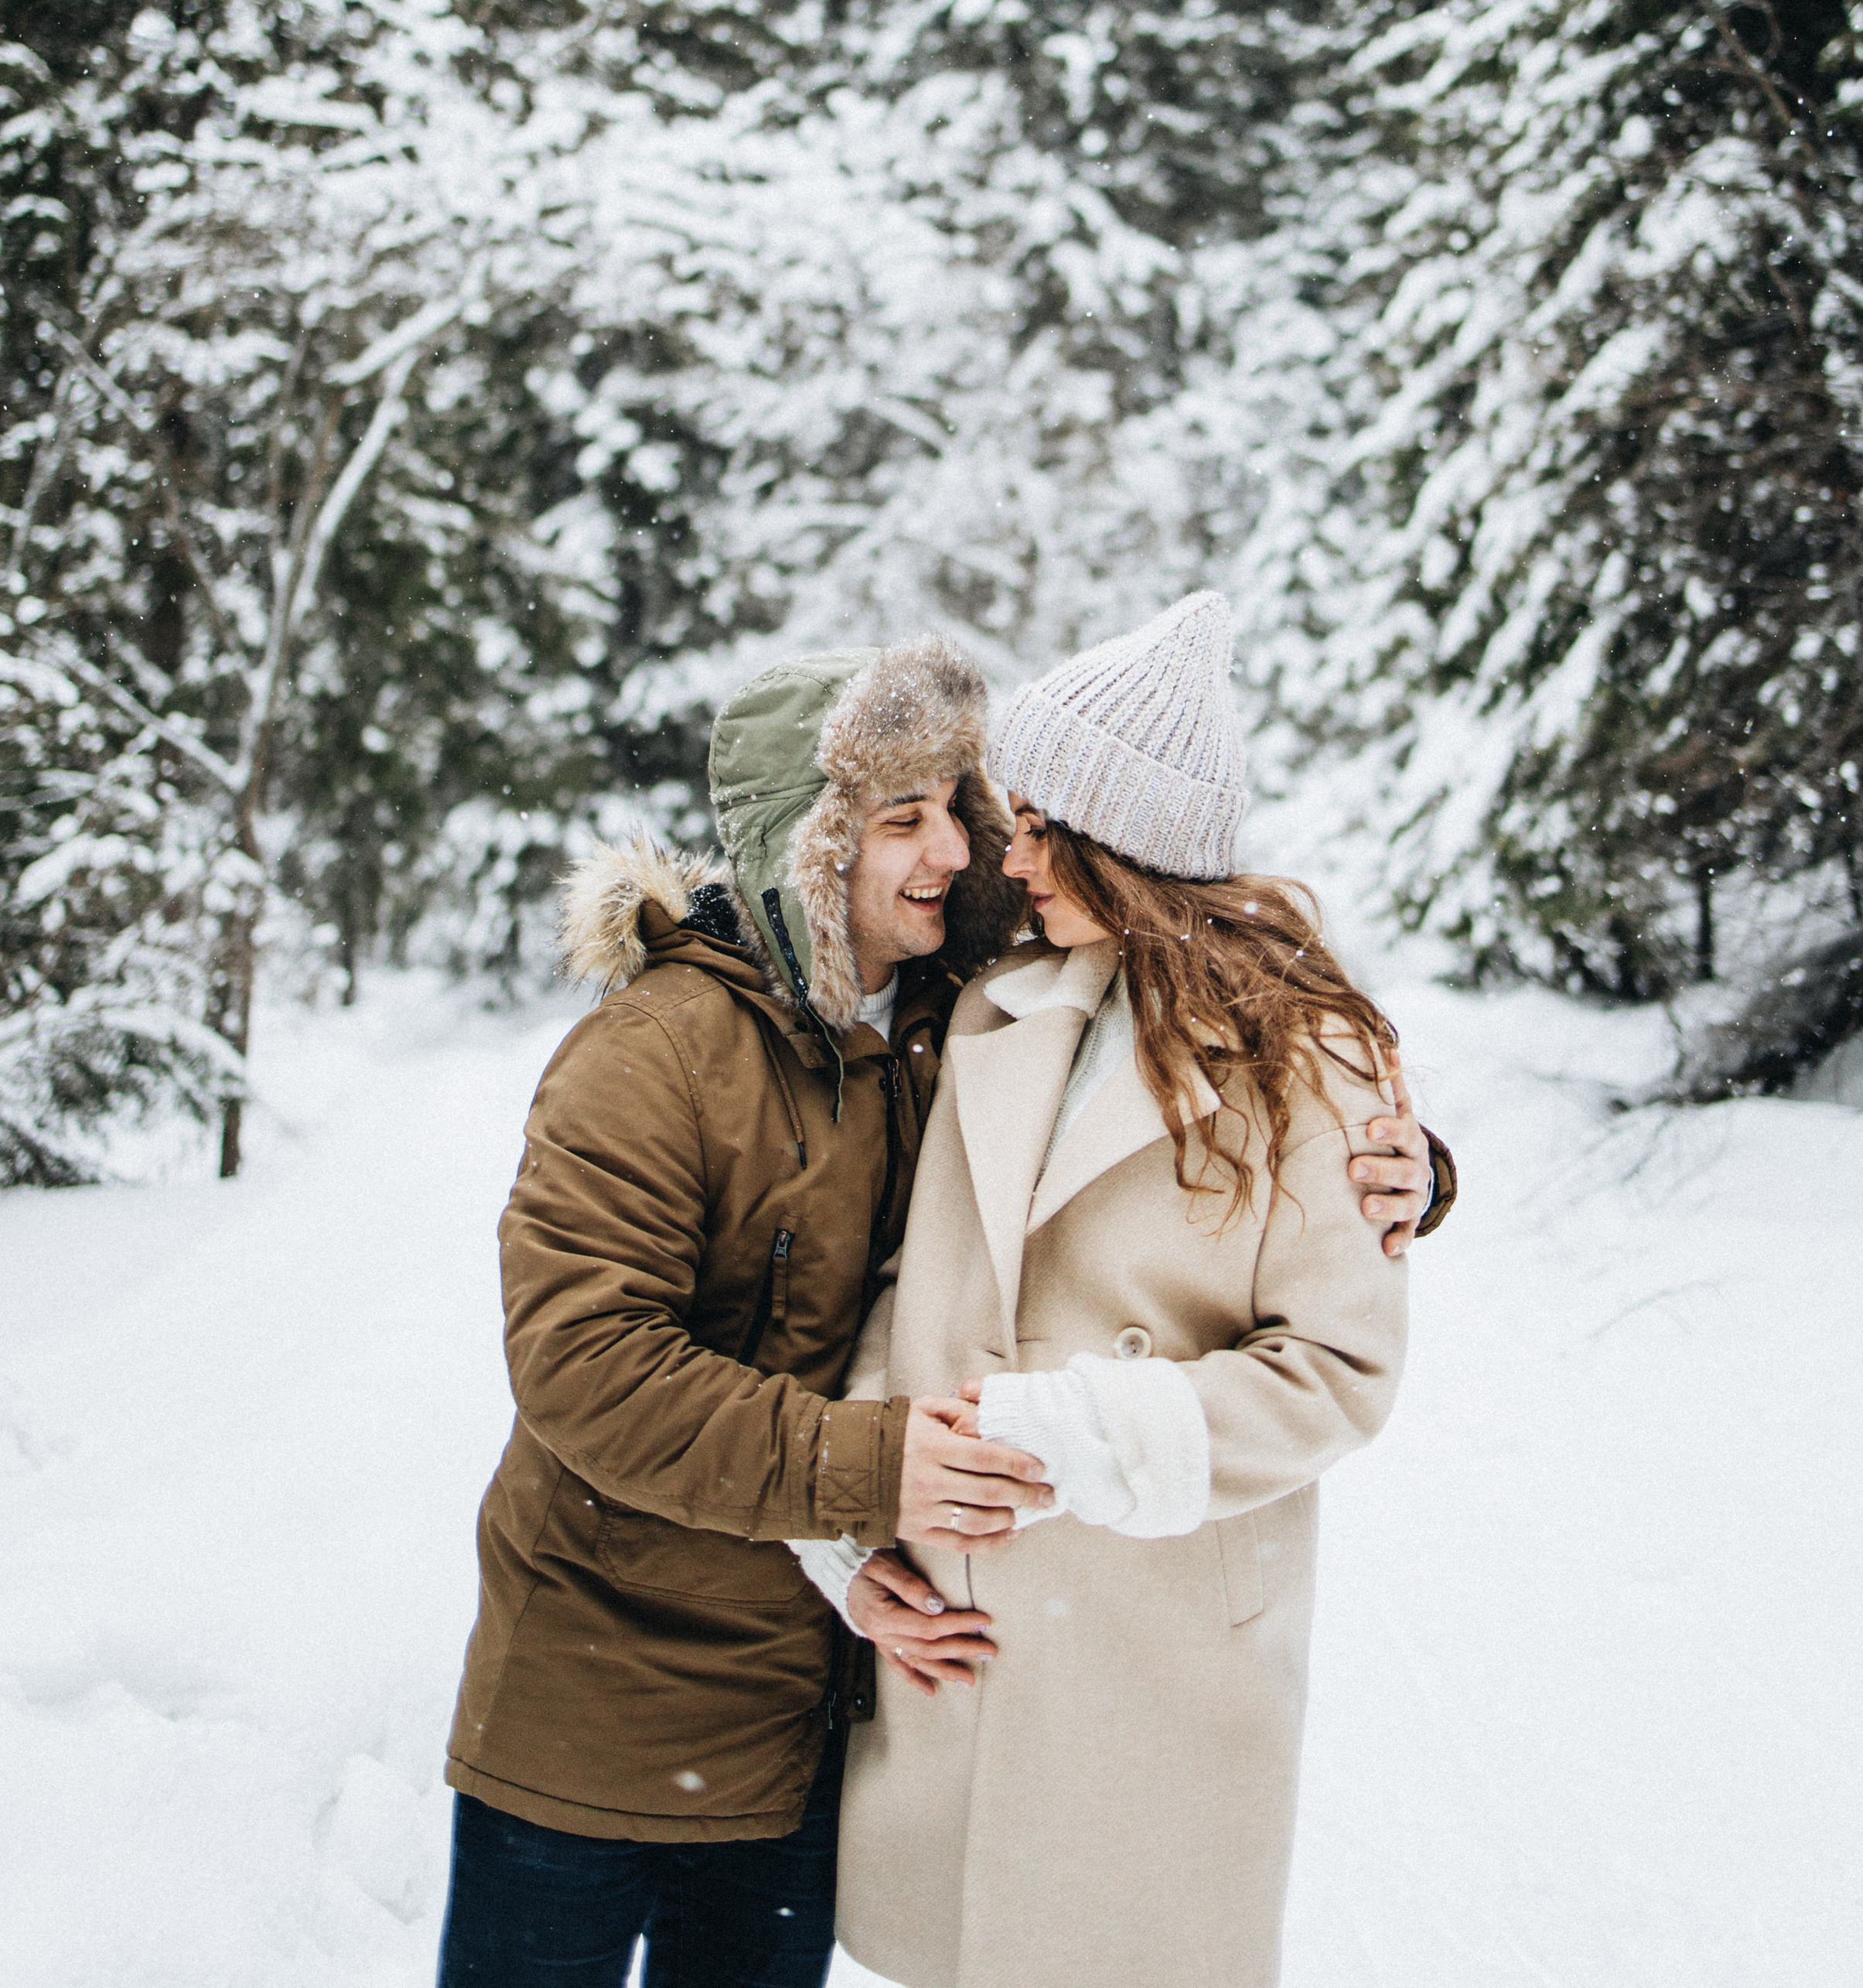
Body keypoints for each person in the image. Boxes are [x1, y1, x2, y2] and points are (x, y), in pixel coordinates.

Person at [435, 628, 1448, 1988]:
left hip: (846, 1685)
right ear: (813, 848)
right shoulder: (685, 1051)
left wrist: (1404, 1169)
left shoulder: (944, 1013)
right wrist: (873, 1491)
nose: (975, 855)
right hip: (615, 1672)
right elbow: (590, 1369)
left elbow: (1269, 1229)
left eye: (972, 815)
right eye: (906, 820)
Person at [831, 593, 1420, 1988]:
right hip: (961, 1619)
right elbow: (908, 1284)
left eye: (1041, 826)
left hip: (1160, 1644)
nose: (1009, 855)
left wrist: (1090, 1432)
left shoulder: (1309, 1061)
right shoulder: (999, 1006)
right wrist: (861, 1526)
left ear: (1126, 843)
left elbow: (1341, 1371)